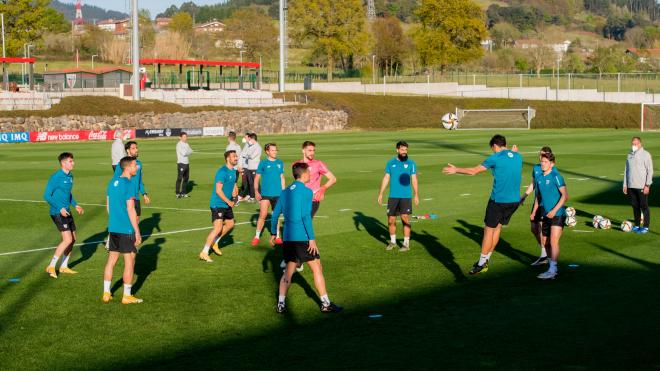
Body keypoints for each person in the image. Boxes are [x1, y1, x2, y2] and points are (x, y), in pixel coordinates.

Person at [443, 134, 522, 275]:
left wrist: (456, 170)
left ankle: (481, 263)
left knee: (488, 230)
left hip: (498, 200)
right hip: (514, 201)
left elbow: (474, 171)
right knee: (498, 228)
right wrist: (512, 151)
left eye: (492, 149)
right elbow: (510, 155)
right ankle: (486, 259)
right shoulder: (517, 156)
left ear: (494, 146)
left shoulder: (495, 158)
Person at [270, 162, 343, 314]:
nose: (311, 175)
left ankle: (281, 304)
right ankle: (325, 303)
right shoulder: (307, 192)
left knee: (288, 271)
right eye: (309, 172)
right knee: (317, 268)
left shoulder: (284, 192)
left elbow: (275, 214)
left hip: (288, 238)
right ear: (303, 174)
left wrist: (273, 233)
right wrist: (312, 239)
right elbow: (305, 217)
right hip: (302, 237)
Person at [102, 156, 143, 304]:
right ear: (127, 167)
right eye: (134, 165)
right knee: (129, 261)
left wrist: (115, 221)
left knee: (111, 260)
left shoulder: (112, 182)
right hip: (126, 229)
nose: (136, 168)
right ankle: (127, 295)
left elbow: (108, 207)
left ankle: (106, 293)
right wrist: (137, 231)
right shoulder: (129, 184)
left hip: (113, 227)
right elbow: (131, 210)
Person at [44, 152, 85, 278]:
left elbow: (68, 194)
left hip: (67, 211)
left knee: (73, 239)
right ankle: (51, 266)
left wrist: (76, 204)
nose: (73, 163)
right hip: (57, 212)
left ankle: (64, 266)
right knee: (67, 239)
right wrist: (60, 208)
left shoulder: (70, 176)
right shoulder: (56, 177)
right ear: (63, 163)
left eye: (73, 161)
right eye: (70, 161)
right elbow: (46, 195)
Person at [377, 141, 419, 252]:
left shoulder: (411, 163)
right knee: (391, 220)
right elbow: (386, 178)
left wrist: (416, 194)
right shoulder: (390, 163)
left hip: (406, 196)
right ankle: (393, 242)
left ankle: (406, 243)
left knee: (405, 218)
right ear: (397, 150)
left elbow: (414, 179)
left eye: (406, 150)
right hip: (393, 196)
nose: (404, 152)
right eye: (402, 150)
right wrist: (381, 193)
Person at [533, 152, 568, 280]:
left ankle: (553, 269)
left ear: (552, 164)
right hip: (546, 214)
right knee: (545, 242)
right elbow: (538, 196)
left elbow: (565, 196)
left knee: (553, 241)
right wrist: (534, 211)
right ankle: (551, 266)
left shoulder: (556, 176)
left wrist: (554, 210)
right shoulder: (539, 178)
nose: (542, 164)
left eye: (545, 162)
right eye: (542, 162)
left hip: (557, 214)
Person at [200, 150, 239, 262]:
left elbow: (231, 186)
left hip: (226, 204)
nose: (236, 158)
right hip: (218, 204)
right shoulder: (222, 172)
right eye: (233, 156)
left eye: (236, 156)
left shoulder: (233, 171)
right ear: (228, 158)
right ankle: (204, 252)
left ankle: (215, 242)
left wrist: (234, 193)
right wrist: (229, 201)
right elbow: (218, 190)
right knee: (218, 228)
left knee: (230, 224)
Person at [520, 146, 553, 265]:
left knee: (543, 228)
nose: (541, 157)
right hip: (537, 201)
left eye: (543, 155)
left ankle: (549, 258)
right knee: (534, 228)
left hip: (547, 203)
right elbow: (533, 184)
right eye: (540, 155)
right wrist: (524, 196)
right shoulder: (536, 168)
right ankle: (544, 253)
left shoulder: (553, 170)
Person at [252, 143, 285, 246]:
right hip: (265, 194)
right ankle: (257, 236)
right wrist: (256, 191)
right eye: (273, 150)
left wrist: (283, 192)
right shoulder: (263, 163)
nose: (275, 152)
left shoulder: (280, 163)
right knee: (263, 215)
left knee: (276, 216)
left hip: (278, 194)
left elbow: (282, 178)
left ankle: (278, 236)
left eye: (276, 150)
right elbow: (256, 178)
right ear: (267, 151)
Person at [294, 141, 337, 217]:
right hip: (299, 198)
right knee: (297, 223)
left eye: (313, 150)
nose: (312, 153)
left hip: (313, 199)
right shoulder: (296, 164)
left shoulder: (318, 164)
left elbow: (333, 179)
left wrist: (323, 188)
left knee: (305, 222)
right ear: (303, 150)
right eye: (309, 150)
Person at [623, 136, 653, 234]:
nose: (634, 146)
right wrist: (625, 184)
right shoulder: (629, 155)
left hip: (641, 186)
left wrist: (647, 185)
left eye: (635, 144)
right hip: (631, 186)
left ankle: (646, 226)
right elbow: (626, 171)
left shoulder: (646, 155)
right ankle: (636, 225)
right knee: (635, 206)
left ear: (640, 144)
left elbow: (650, 171)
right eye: (632, 144)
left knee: (644, 206)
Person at [239, 132, 261, 202]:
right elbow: (246, 154)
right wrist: (247, 155)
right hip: (249, 167)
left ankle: (260, 197)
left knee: (256, 182)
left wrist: (247, 155)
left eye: (250, 139)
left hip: (255, 167)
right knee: (251, 183)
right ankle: (252, 196)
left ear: (253, 139)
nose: (249, 140)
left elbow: (251, 156)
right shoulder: (251, 146)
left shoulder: (258, 147)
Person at [176, 132, 193, 198]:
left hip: (187, 163)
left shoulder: (186, 144)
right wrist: (188, 152)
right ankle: (177, 193)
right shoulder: (179, 145)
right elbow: (184, 153)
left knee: (186, 179)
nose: (185, 138)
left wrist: (188, 152)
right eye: (184, 137)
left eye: (186, 137)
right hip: (181, 163)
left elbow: (191, 151)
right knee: (180, 178)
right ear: (180, 137)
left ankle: (183, 192)